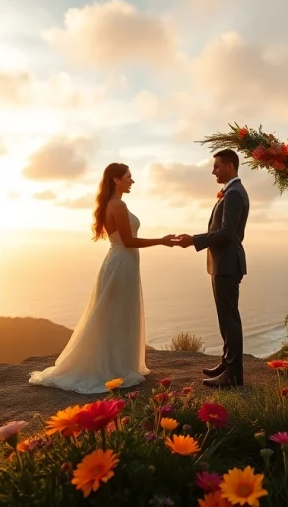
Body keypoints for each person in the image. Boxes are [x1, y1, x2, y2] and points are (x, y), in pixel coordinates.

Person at [29, 163, 176, 394]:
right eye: (129, 177)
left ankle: (119, 362)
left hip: (120, 262)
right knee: (117, 313)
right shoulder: (118, 204)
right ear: (116, 179)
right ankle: (115, 365)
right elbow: (128, 241)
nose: (132, 181)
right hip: (122, 263)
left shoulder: (112, 203)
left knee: (116, 313)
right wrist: (162, 241)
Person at [174, 149, 250, 387]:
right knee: (225, 318)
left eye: (216, 166)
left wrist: (194, 240)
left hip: (228, 264)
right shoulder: (231, 192)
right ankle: (228, 363)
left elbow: (227, 233)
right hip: (223, 263)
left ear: (229, 165)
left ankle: (234, 375)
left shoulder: (235, 193)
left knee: (229, 319)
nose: (213, 171)